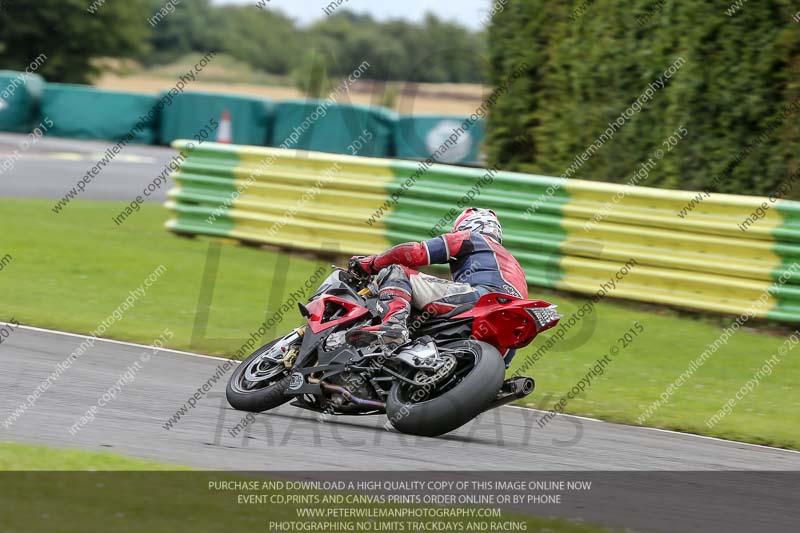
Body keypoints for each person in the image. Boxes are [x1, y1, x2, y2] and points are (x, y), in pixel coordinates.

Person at [346, 208, 528, 355]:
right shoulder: (515, 265)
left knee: (396, 271)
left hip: (481, 298)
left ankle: (394, 325)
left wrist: (369, 264)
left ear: (466, 225)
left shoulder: (471, 238)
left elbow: (415, 252)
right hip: (509, 326)